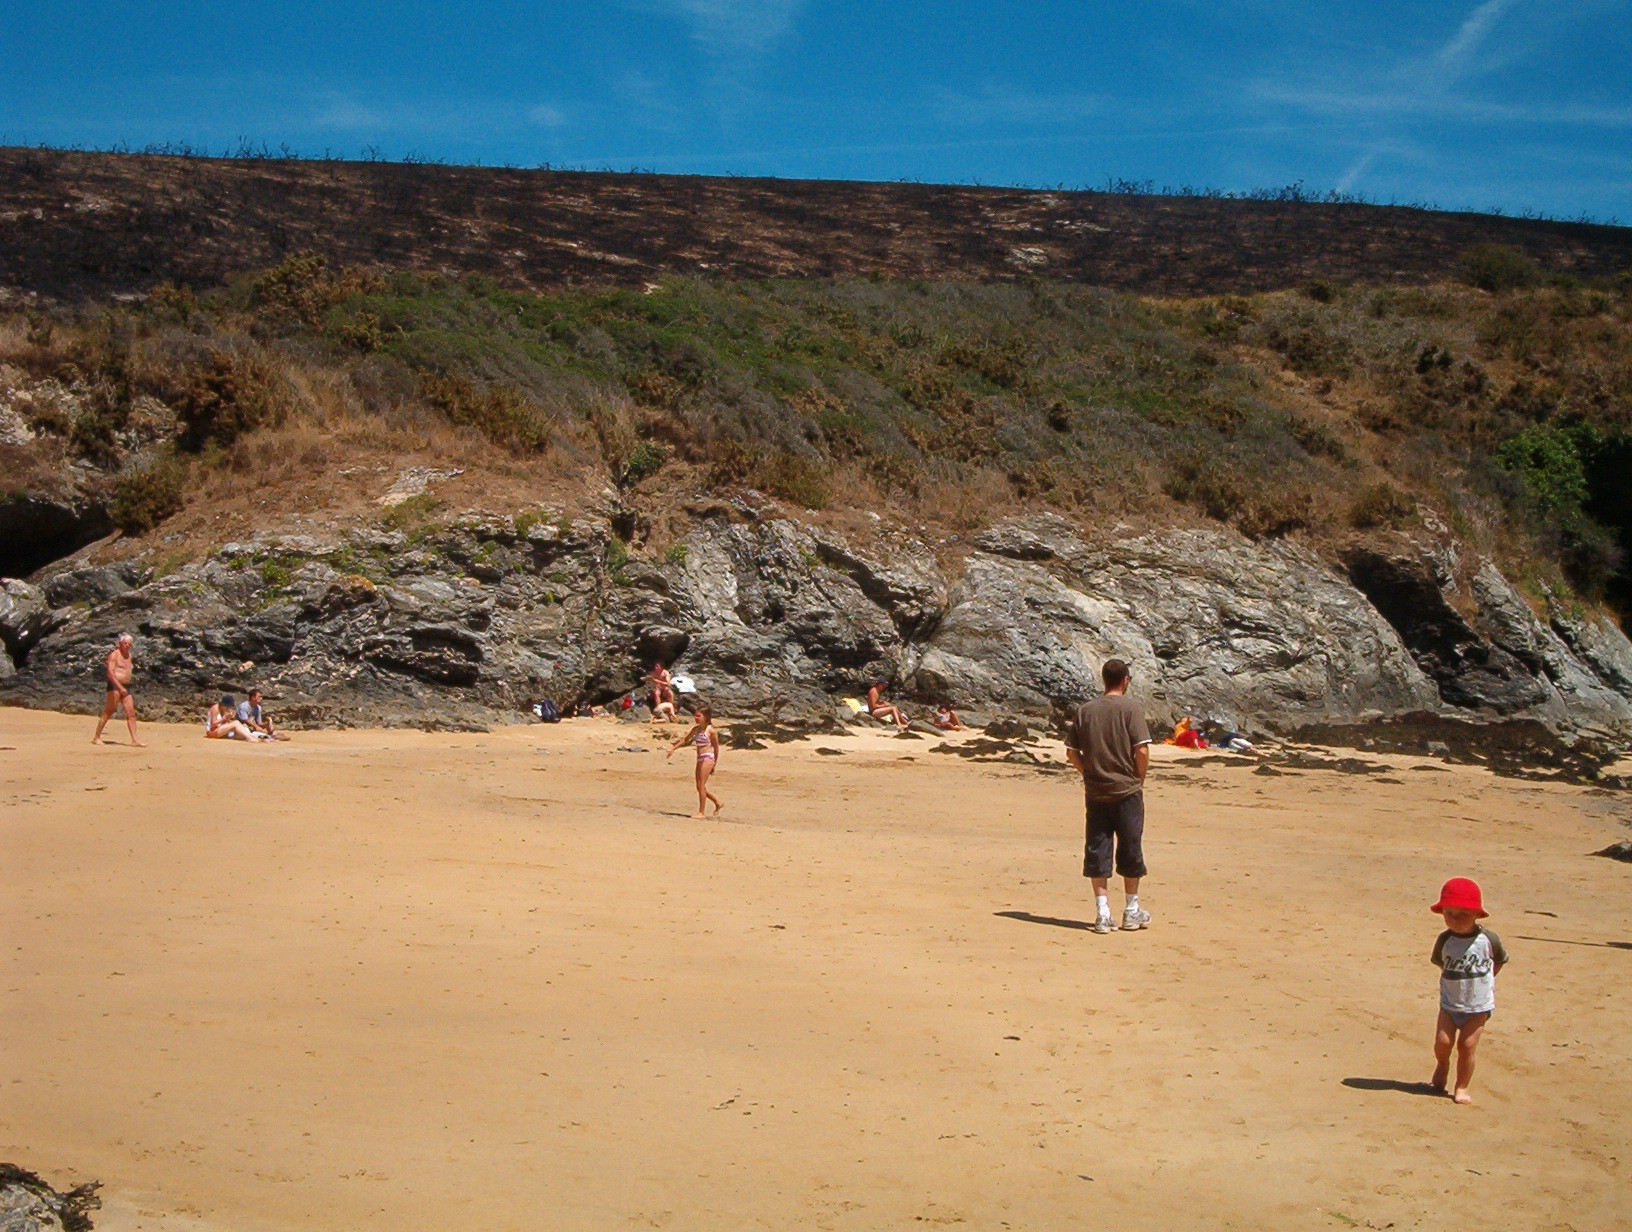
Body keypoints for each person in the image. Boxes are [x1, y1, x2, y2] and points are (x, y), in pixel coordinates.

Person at [1064, 658, 1153, 934]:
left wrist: (1087, 772)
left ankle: (1103, 912)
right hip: (1126, 790)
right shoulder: (1131, 708)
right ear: (1125, 680)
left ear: (1104, 680)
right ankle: (1131, 908)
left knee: (1097, 847)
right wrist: (1139, 778)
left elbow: (1071, 752)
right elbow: (1142, 750)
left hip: (1097, 790)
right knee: (1130, 846)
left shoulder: (1086, 710)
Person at [1429, 877, 1509, 1105]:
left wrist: (1485, 981)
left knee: (1467, 1046)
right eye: (1449, 914)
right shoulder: (1444, 940)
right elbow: (1440, 963)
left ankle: (1461, 1085)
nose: (1455, 920)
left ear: (1476, 914)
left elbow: (1500, 960)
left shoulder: (1487, 940)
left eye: (1462, 914)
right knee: (1443, 1042)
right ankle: (1442, 1065)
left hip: (1478, 1006)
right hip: (1449, 1003)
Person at [666, 704, 723, 818]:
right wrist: (673, 748)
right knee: (699, 786)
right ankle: (717, 802)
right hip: (700, 758)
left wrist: (714, 764)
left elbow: (716, 747)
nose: (696, 718)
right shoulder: (695, 729)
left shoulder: (710, 731)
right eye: (695, 716)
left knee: (701, 785)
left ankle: (701, 812)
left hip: (708, 757)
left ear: (705, 717)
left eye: (698, 716)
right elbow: (685, 740)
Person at [92, 633, 145, 747]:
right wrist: (119, 687)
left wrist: (125, 686)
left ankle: (135, 740)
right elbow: (110, 673)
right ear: (121, 643)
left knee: (131, 713)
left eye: (129, 644)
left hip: (126, 686)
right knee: (109, 711)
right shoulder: (114, 655)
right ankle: (97, 737)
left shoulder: (129, 656)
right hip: (115, 685)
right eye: (125, 643)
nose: (127, 646)